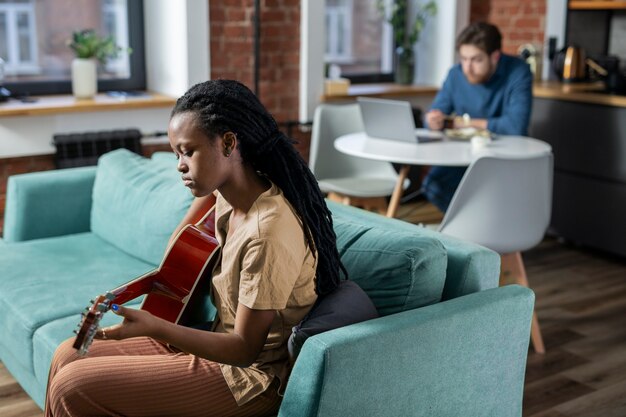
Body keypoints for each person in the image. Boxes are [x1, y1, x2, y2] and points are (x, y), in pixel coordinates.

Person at [45, 79, 347, 417]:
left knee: (71, 385)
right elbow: (181, 251)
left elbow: (245, 349)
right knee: (67, 354)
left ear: (229, 143)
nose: (179, 165)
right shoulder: (226, 196)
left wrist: (156, 327)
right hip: (215, 344)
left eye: (188, 151)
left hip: (251, 378)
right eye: (176, 153)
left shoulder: (268, 232)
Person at [422, 22, 533, 212]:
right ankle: (471, 232)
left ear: (495, 56)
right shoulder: (455, 75)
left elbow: (516, 126)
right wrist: (432, 120)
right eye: (464, 59)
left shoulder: (518, 72)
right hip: (461, 156)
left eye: (476, 60)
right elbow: (436, 113)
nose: (468, 68)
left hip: (502, 158)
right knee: (432, 186)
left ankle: (479, 230)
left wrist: (464, 123)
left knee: (490, 196)